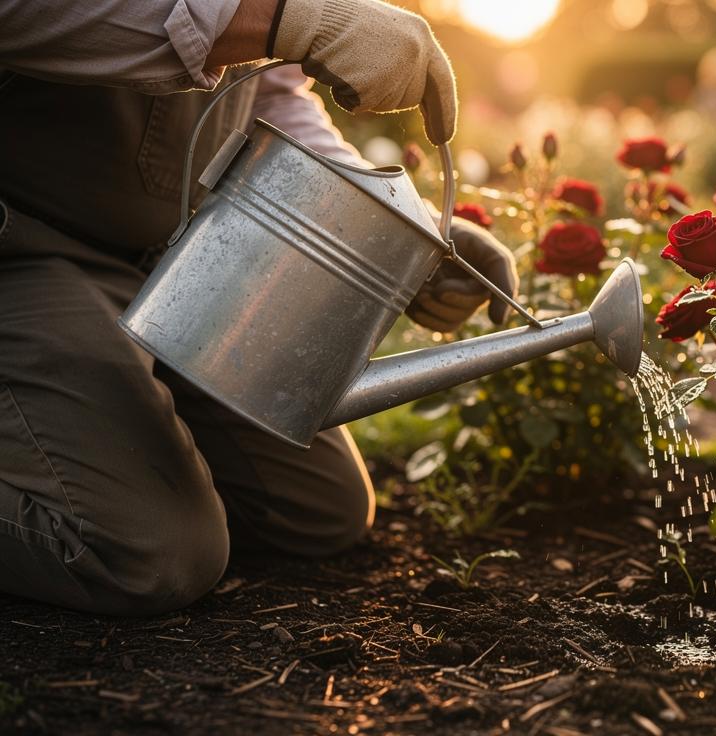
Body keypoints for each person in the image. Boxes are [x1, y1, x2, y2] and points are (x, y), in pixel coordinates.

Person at [0, 0, 518, 615]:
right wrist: (288, 19)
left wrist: (403, 226)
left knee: (317, 508)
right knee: (144, 550)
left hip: (167, 255)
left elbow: (269, 90)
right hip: (24, 248)